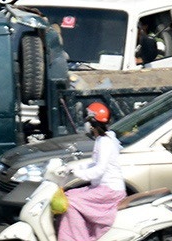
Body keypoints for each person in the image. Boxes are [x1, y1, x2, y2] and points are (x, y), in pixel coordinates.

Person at [59, 102, 127, 241]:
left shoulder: (105, 142)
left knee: (70, 202)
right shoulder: (104, 139)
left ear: (92, 124)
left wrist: (77, 174)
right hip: (102, 188)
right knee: (67, 194)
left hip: (109, 191)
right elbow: (95, 164)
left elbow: (99, 170)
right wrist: (74, 167)